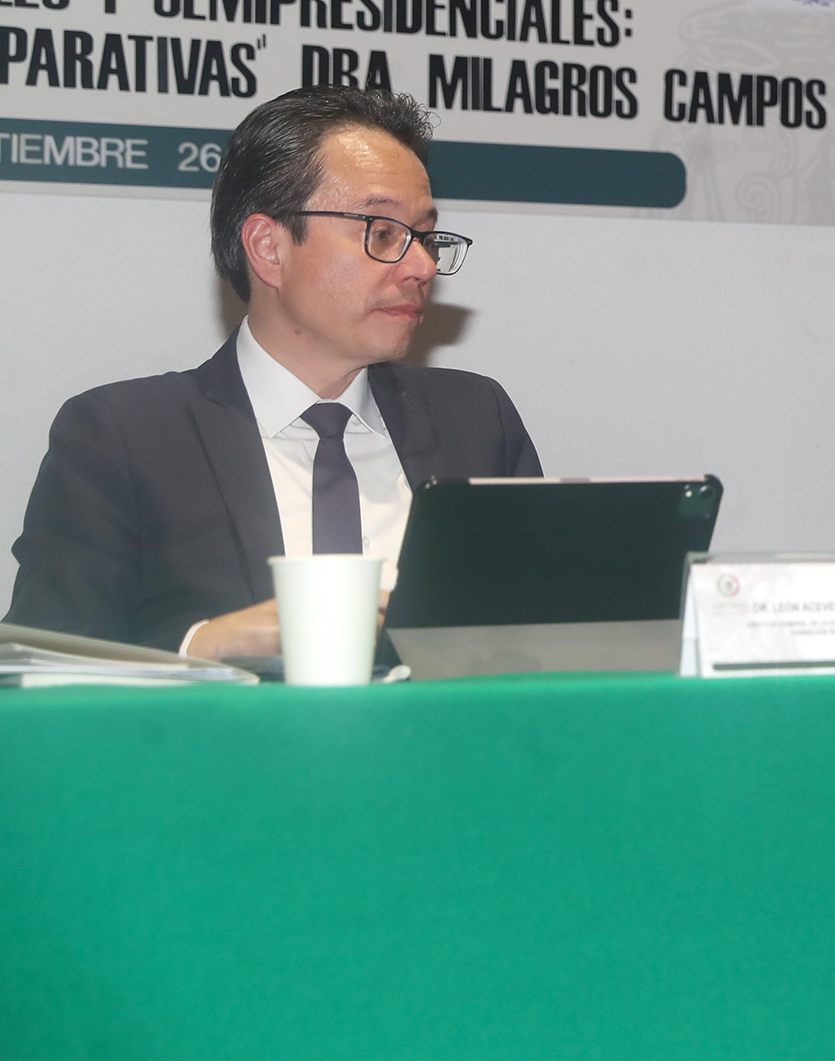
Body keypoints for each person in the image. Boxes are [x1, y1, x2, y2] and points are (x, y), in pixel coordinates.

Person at [7, 87, 540, 657]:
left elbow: (550, 636)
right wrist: (200, 647)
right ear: (268, 248)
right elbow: (44, 665)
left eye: (426, 237)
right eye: (383, 233)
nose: (423, 265)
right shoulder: (124, 437)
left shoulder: (476, 421)